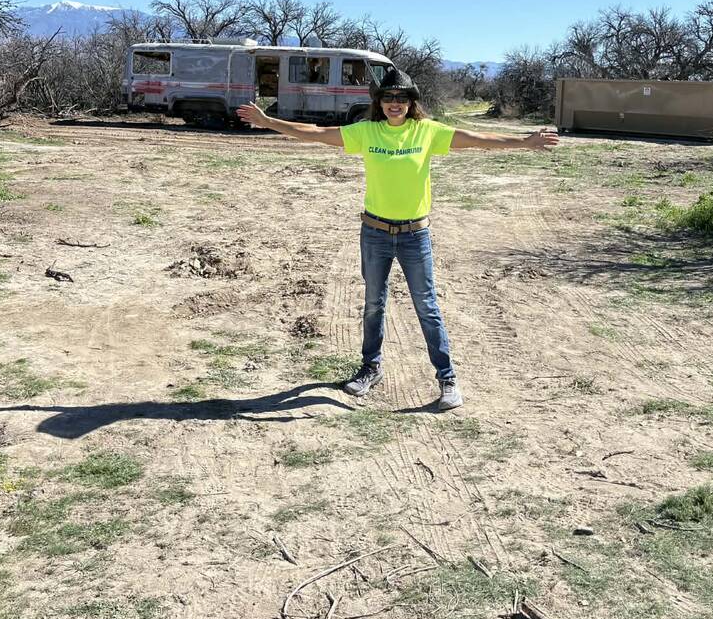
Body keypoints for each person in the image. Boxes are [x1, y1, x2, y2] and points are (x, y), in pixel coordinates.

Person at [237, 69, 558, 410]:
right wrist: (269, 121)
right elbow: (316, 133)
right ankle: (370, 367)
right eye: (388, 97)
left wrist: (525, 142)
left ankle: (447, 379)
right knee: (374, 303)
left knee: (427, 306)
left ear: (411, 102)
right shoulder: (366, 132)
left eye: (401, 98)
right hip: (374, 232)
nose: (394, 103)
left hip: (414, 235)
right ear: (379, 102)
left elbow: (477, 138)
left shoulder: (427, 132)